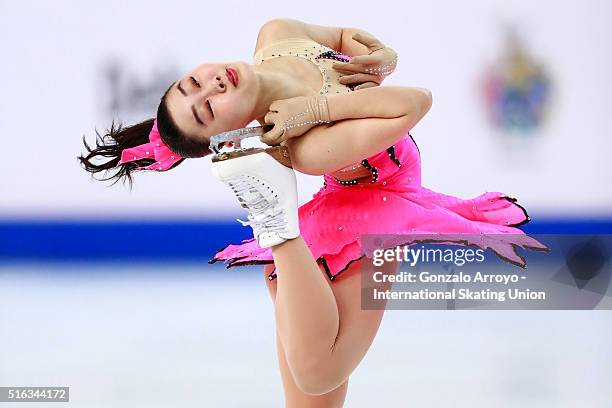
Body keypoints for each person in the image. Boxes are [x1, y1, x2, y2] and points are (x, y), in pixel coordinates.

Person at [79, 18, 548, 407]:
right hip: (377, 202)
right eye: (208, 110)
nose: (213, 85)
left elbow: (344, 39)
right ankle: (279, 231)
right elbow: (416, 101)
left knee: (312, 389)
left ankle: (281, 232)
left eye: (195, 83)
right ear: (231, 130)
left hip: (345, 203)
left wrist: (379, 52)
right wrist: (317, 107)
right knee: (319, 373)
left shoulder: (275, 34)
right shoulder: (308, 147)